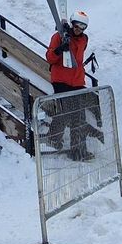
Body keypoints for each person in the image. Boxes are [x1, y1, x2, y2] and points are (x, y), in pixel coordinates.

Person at [45, 12, 94, 161]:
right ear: (72, 23)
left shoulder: (84, 39)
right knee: (66, 112)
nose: (79, 29)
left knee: (79, 117)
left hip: (77, 81)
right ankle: (53, 138)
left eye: (83, 26)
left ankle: (79, 151)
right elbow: (50, 58)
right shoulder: (58, 37)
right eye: (77, 25)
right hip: (61, 80)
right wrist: (61, 48)